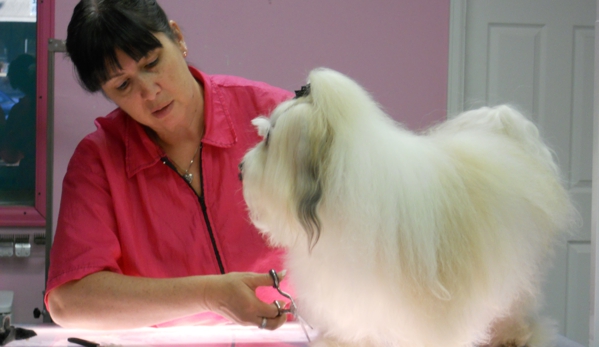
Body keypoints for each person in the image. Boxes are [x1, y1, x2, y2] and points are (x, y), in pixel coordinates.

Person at [45, 0, 294, 330]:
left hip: (292, 333)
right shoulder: (98, 162)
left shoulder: (275, 116)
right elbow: (69, 301)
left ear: (177, 38)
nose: (149, 92)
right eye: (123, 85)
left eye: (152, 63)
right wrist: (207, 294)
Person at [0, 54, 36, 190]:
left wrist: (2, 126)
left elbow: (8, 155)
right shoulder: (49, 106)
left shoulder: (21, 110)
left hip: (29, 179)